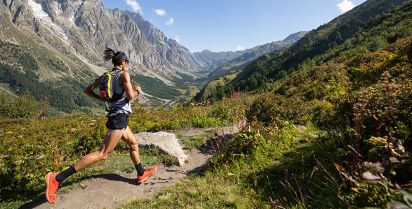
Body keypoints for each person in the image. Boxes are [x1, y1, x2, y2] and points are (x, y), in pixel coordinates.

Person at [45, 48, 157, 204]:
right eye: (127, 63)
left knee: (133, 144)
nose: (128, 66)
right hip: (118, 118)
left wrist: (102, 100)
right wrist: (137, 90)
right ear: (123, 62)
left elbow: (87, 90)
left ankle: (141, 173)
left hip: (117, 117)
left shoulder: (105, 76)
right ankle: (57, 178)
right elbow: (131, 97)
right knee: (103, 153)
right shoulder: (124, 74)